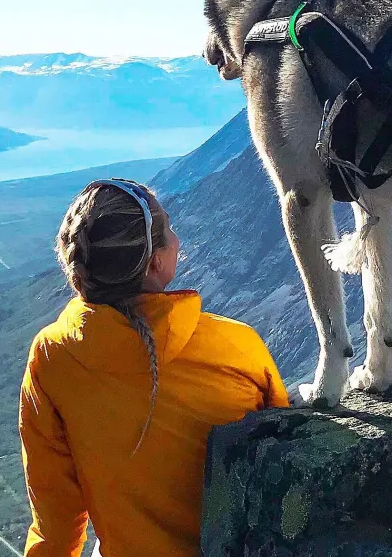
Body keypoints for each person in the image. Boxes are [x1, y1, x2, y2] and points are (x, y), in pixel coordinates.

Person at [18, 178, 291, 557]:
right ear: (154, 263)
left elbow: (56, 524)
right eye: (169, 230)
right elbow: (283, 446)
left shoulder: (52, 357)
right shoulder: (236, 345)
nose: (177, 239)